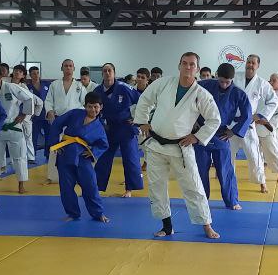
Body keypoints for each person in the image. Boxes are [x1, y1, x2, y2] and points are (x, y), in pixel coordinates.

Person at [135, 52, 221, 239]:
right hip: (156, 144)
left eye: (192, 64)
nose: (188, 67)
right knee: (156, 186)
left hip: (181, 147)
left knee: (193, 186)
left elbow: (214, 119)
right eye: (184, 63)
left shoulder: (201, 94)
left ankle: (207, 225)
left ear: (197, 68)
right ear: (179, 65)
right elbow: (145, 99)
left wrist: (197, 137)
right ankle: (167, 226)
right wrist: (142, 121)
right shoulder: (163, 83)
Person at [196, 63, 252, 210]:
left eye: (228, 82)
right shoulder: (204, 85)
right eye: (221, 81)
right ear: (216, 76)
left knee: (225, 170)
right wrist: (193, 122)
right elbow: (189, 102)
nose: (224, 84)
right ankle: (202, 201)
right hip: (201, 133)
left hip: (221, 135)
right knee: (200, 169)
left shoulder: (238, 93)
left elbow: (247, 115)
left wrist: (233, 131)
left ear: (232, 79)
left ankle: (232, 201)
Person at [48, 92, 110, 222]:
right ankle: (73, 213)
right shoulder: (75, 113)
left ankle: (98, 213)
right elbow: (57, 123)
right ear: (85, 106)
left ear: (101, 107)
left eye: (96, 107)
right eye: (89, 106)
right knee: (66, 186)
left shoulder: (99, 127)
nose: (93, 110)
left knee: (91, 186)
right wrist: (55, 142)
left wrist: (93, 152)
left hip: (83, 158)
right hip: (65, 154)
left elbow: (104, 144)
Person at [92, 63, 143, 197]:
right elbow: (92, 109)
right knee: (103, 158)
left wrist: (137, 118)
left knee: (130, 157)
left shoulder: (124, 87)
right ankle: (97, 187)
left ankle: (129, 189)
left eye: (110, 70)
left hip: (126, 127)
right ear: (102, 74)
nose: (107, 73)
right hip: (108, 128)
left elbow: (142, 101)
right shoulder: (97, 91)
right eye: (105, 71)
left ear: (114, 73)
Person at [0, 66, 37, 193]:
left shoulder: (11, 87)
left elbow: (29, 98)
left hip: (13, 126)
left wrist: (24, 114)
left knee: (19, 157)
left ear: (0, 77)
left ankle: (21, 185)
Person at [234, 54, 278, 194]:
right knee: (228, 154)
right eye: (248, 62)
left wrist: (258, 115)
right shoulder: (235, 77)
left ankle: (261, 182)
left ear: (258, 66)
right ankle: (229, 180)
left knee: (254, 155)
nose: (250, 65)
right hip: (231, 124)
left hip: (248, 124)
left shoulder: (261, 83)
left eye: (253, 63)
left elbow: (273, 101)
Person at [43, 59, 90, 184]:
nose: (68, 68)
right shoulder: (54, 84)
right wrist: (50, 111)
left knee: (75, 148)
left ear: (74, 68)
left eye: (70, 66)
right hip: (58, 120)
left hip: (74, 121)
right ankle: (52, 177)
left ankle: (76, 175)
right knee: (55, 147)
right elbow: (48, 100)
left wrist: (82, 118)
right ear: (62, 68)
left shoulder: (79, 85)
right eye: (66, 66)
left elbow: (85, 103)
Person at [260, 73, 278, 183]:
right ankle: (260, 175)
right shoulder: (266, 94)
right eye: (270, 80)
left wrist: (268, 123)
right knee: (258, 152)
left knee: (273, 150)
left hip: (270, 127)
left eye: (273, 80)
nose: (271, 82)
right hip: (258, 124)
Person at [26, 65, 48, 161]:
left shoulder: (47, 85)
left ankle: (48, 155)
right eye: (34, 74)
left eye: (37, 73)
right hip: (34, 116)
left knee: (49, 136)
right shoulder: (27, 87)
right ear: (30, 75)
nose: (36, 75)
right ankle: (32, 156)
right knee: (33, 136)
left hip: (47, 114)